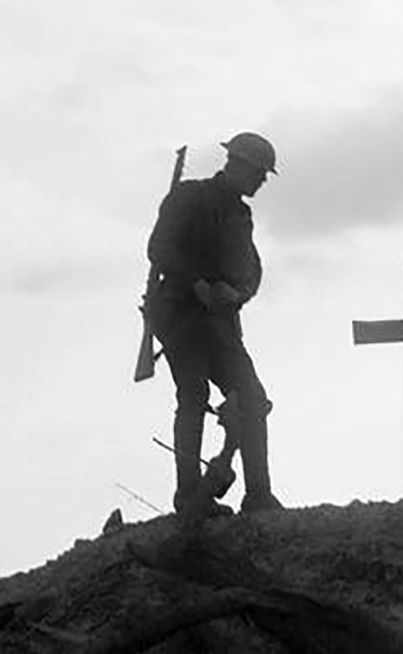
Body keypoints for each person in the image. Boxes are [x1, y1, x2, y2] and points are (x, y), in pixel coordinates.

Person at [145, 131, 282, 517]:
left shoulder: (241, 216)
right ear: (237, 164)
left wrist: (234, 294)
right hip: (180, 316)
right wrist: (197, 284)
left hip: (219, 321)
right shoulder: (189, 197)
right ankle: (189, 495)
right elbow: (160, 248)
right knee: (193, 395)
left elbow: (250, 270)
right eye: (258, 172)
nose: (261, 180)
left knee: (252, 398)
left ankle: (259, 496)